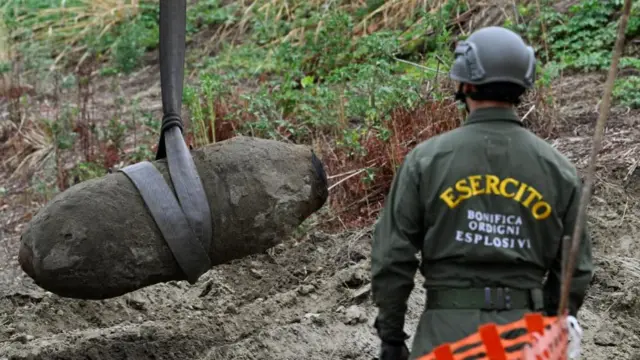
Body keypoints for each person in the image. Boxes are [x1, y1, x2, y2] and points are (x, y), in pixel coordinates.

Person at [370, 26, 594, 360]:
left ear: (466, 83)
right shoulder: (558, 169)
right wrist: (548, 322)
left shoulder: (427, 161)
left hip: (445, 340)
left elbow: (391, 257)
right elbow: (574, 268)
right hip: (527, 339)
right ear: (523, 84)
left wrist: (391, 336)